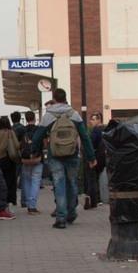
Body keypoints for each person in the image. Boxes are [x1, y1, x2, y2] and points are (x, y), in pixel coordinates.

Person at [31, 88, 95, 229]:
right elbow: (85, 137)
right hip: (73, 154)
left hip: (55, 155)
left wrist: (34, 152)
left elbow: (37, 136)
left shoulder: (49, 115)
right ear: (66, 98)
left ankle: (61, 218)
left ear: (54, 98)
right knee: (72, 183)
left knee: (59, 185)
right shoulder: (74, 114)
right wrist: (91, 157)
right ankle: (71, 213)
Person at [17, 109, 42, 213]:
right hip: (37, 159)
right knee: (35, 182)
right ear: (35, 118)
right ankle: (32, 205)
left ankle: (28, 203)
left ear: (26, 119)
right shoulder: (39, 129)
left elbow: (18, 145)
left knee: (26, 181)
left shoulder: (22, 130)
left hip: (25, 159)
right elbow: (44, 143)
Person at [0, 116, 21, 209]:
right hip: (9, 160)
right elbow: (17, 145)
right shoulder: (11, 132)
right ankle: (8, 203)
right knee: (10, 182)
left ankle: (0, 203)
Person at [88, 112, 106, 207]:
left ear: (99, 119)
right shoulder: (106, 129)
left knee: (93, 178)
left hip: (97, 157)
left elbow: (91, 144)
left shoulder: (96, 130)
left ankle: (96, 199)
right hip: (105, 157)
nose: (91, 121)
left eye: (93, 119)